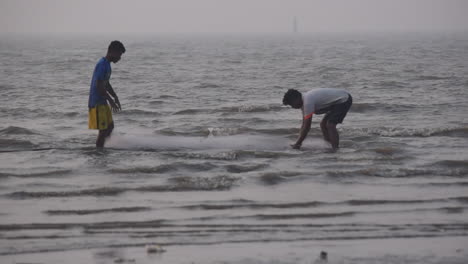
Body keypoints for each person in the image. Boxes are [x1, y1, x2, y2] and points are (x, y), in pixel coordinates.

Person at [282, 88, 352, 150]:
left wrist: (298, 144)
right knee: (323, 124)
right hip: (337, 102)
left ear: (296, 98)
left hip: (344, 99)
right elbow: (303, 124)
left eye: (292, 104)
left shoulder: (307, 101)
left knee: (330, 125)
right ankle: (329, 144)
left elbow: (307, 126)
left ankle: (335, 149)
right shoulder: (304, 102)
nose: (293, 107)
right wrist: (297, 142)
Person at [88, 40, 126, 148]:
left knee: (110, 127)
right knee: (103, 130)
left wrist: (115, 97)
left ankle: (102, 148)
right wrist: (111, 101)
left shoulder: (107, 65)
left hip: (102, 101)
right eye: (119, 54)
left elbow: (106, 83)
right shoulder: (101, 64)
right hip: (96, 102)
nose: (119, 58)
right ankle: (99, 152)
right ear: (112, 52)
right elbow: (99, 86)